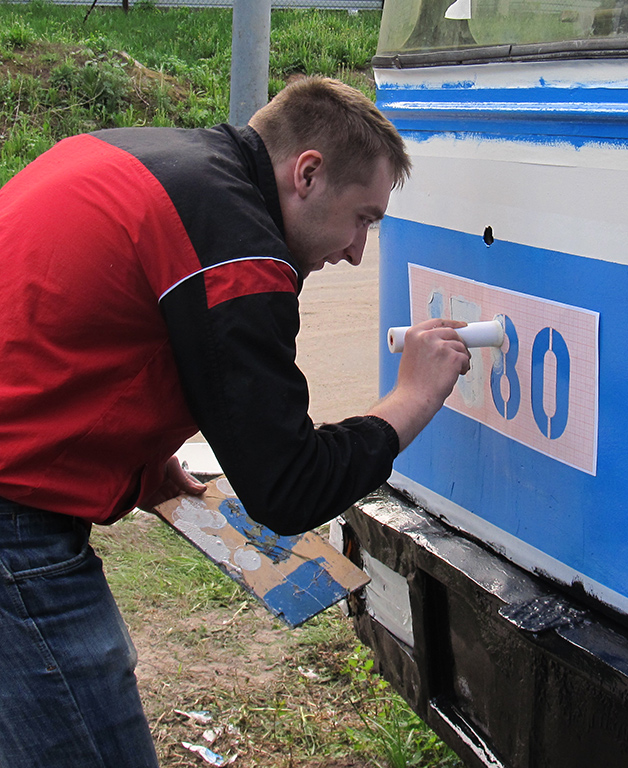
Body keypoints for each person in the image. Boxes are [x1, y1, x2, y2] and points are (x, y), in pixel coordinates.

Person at [0, 76, 470, 768]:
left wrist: (135, 445)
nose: (355, 252)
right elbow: (289, 489)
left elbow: (79, 318)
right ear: (306, 173)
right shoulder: (237, 249)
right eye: (362, 218)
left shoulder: (141, 156)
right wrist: (413, 398)